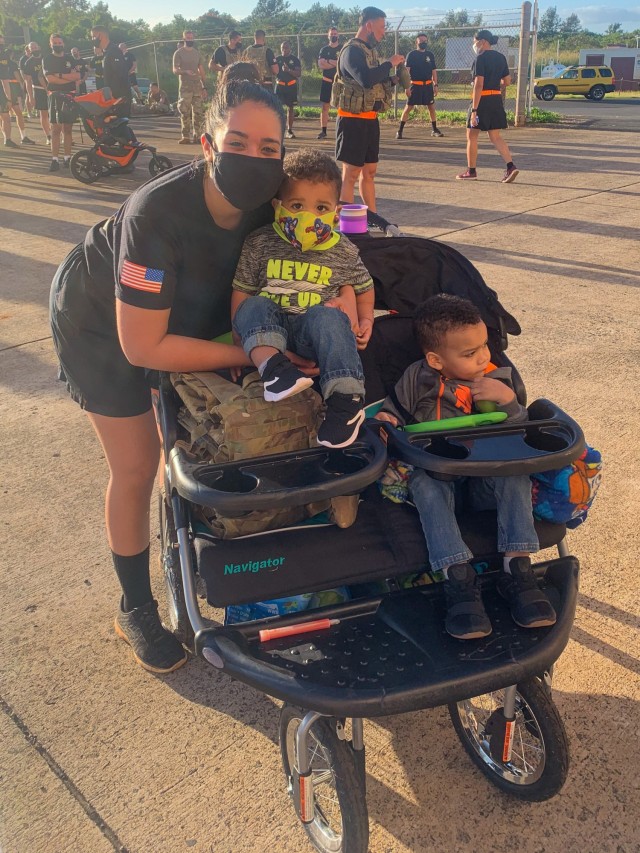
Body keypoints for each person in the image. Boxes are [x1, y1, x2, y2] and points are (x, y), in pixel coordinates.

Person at [49, 79, 292, 674]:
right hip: (103, 326)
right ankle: (134, 605)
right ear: (207, 144)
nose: (255, 158)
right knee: (137, 464)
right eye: (237, 141)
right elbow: (142, 345)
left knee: (194, 447)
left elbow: (332, 237)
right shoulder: (156, 212)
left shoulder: (273, 200)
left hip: (193, 312)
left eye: (269, 148)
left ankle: (194, 553)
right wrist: (242, 353)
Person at [375, 294, 556, 640]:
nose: (483, 357)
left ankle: (517, 567)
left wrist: (509, 403)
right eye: (470, 354)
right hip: (440, 477)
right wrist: (386, 421)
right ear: (436, 359)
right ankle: (457, 576)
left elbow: (518, 434)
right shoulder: (417, 379)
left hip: (484, 480)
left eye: (484, 346)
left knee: (514, 473)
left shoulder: (494, 379)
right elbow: (392, 416)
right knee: (423, 484)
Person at [231, 147, 374, 448]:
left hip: (314, 337)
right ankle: (274, 370)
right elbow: (241, 291)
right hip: (271, 333)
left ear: (336, 211)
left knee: (328, 316)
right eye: (297, 205)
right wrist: (241, 343)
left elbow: (363, 286)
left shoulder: (342, 249)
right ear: (277, 205)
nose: (309, 217)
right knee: (253, 304)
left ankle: (347, 400)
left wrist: (365, 319)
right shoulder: (259, 243)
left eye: (321, 208)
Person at [331, 7, 407, 217]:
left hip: (370, 120)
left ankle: (373, 218)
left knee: (370, 172)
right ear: (369, 26)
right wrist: (389, 63)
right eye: (381, 27)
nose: (383, 33)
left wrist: (392, 79)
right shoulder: (351, 51)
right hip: (352, 121)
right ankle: (346, 222)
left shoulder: (369, 52)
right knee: (351, 173)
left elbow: (373, 79)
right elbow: (364, 79)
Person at [457, 29, 518, 183]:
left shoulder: (480, 58)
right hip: (496, 99)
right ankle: (510, 166)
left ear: (483, 41)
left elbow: (479, 85)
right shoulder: (500, 57)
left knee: (472, 135)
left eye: (475, 41)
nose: (474, 44)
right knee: (495, 136)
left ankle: (471, 171)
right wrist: (496, 84)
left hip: (482, 100)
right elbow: (508, 81)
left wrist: (474, 110)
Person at [42, 34, 79, 171]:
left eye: (59, 42)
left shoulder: (70, 58)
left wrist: (59, 75)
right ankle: (55, 159)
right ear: (50, 44)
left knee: (68, 129)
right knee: (56, 129)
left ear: (63, 43)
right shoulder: (47, 59)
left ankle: (67, 158)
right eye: (55, 42)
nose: (58, 44)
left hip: (69, 96)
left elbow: (77, 76)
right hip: (55, 96)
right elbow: (50, 79)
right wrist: (68, 78)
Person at [396, 34, 443, 139]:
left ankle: (434, 129)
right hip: (415, 86)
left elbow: (434, 71)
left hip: (427, 86)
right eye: (421, 40)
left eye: (425, 40)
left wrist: (435, 84)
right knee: (408, 107)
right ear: (416, 42)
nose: (423, 42)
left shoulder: (430, 55)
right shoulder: (412, 55)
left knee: (431, 107)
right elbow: (406, 72)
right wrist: (407, 87)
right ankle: (399, 131)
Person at [172, 30, 207, 144]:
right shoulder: (178, 53)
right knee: (184, 111)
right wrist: (184, 72)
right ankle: (185, 135)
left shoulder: (197, 53)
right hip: (185, 86)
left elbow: (201, 70)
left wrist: (204, 86)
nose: (190, 39)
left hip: (197, 85)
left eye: (192, 37)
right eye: (188, 37)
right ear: (184, 39)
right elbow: (175, 70)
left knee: (198, 112)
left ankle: (198, 136)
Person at [91, 27, 131, 117]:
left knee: (119, 128)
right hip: (112, 99)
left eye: (93, 37)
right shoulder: (106, 52)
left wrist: (117, 99)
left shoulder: (114, 51)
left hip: (118, 99)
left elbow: (121, 75)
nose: (92, 40)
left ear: (100, 36)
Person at [0, 44, 35, 146]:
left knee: (16, 114)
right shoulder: (8, 64)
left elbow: (15, 77)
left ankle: (23, 136)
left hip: (11, 89)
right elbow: (15, 78)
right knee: (5, 116)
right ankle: (7, 139)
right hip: (6, 90)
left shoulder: (11, 64)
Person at [22, 42, 52, 145]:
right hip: (38, 90)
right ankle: (48, 136)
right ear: (30, 50)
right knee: (43, 114)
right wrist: (30, 97)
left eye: (35, 47)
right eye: (32, 48)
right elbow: (28, 81)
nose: (34, 49)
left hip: (52, 88)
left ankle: (59, 134)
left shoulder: (46, 58)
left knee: (55, 113)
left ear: (39, 47)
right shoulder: (28, 63)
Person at [317, 26, 340, 139]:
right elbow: (321, 65)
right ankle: (323, 131)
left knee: (341, 107)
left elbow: (342, 64)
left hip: (339, 83)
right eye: (331, 34)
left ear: (338, 35)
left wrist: (328, 61)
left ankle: (341, 131)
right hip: (326, 82)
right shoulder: (324, 50)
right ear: (328, 36)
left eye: (335, 34)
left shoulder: (342, 48)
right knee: (325, 107)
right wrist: (335, 62)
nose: (333, 36)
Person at [274, 40, 301, 139]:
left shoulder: (295, 60)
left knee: (290, 108)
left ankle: (289, 130)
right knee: (277, 109)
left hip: (291, 86)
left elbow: (298, 73)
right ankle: (278, 130)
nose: (284, 50)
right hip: (280, 86)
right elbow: (272, 71)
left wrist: (288, 70)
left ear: (290, 48)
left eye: (286, 48)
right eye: (282, 48)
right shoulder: (277, 59)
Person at [18, 44, 34, 115]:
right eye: (28, 50)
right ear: (26, 50)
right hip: (27, 80)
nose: (29, 51)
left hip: (36, 79)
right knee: (28, 95)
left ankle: (36, 110)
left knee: (36, 95)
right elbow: (22, 71)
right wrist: (25, 80)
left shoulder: (34, 57)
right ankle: (29, 112)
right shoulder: (23, 59)